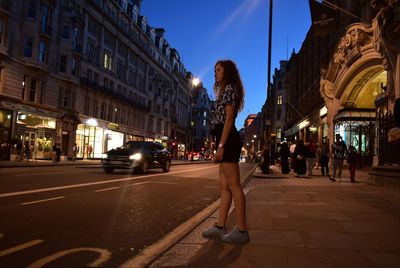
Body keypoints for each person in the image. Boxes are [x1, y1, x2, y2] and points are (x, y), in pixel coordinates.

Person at [202, 60, 249, 243]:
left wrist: (221, 147)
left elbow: (229, 120)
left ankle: (242, 231)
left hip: (228, 140)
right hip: (224, 138)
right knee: (224, 186)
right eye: (214, 70)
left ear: (227, 71)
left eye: (219, 70)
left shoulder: (230, 89)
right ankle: (220, 227)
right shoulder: (224, 90)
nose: (215, 73)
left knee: (234, 186)